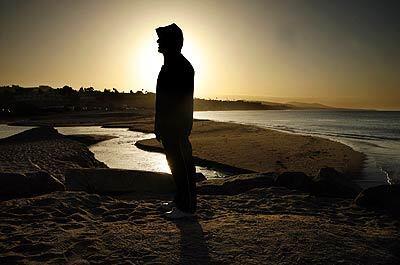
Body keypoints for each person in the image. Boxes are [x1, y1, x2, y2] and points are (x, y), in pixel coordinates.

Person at [154, 23, 196, 219]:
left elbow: (182, 101)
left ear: (172, 42)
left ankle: (186, 208)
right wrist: (159, 125)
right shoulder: (170, 64)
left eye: (162, 39)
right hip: (169, 125)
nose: (158, 41)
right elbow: (162, 99)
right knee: (175, 164)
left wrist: (178, 126)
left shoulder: (181, 66)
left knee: (182, 166)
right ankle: (180, 202)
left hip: (177, 126)